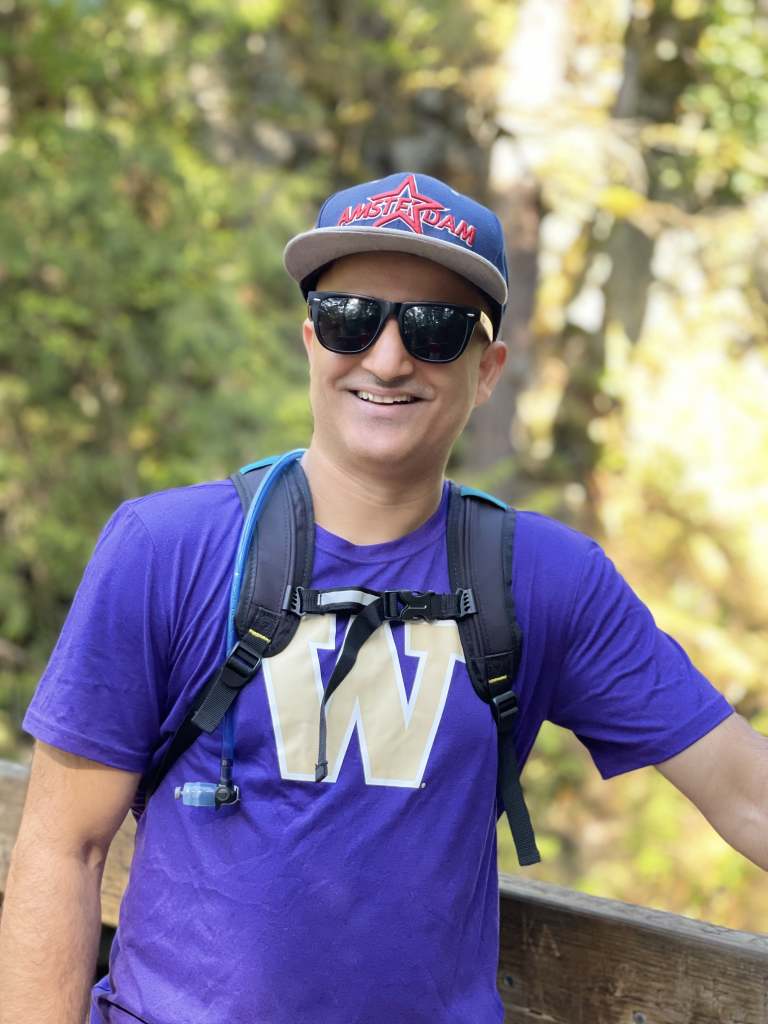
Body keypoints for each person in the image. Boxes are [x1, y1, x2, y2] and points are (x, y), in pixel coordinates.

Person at [0, 171, 766, 1024]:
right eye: (350, 317)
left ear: (487, 369)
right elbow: (62, 848)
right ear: (311, 341)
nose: (388, 358)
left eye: (435, 329)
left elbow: (745, 790)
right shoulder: (167, 549)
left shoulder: (548, 581)